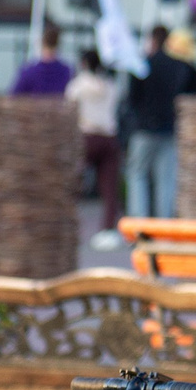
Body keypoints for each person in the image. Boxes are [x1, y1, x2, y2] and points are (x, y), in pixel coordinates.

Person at [122, 24, 196, 219]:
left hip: (144, 129)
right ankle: (163, 224)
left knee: (138, 174)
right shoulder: (180, 67)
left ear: (152, 40)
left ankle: (139, 222)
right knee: (166, 179)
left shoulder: (143, 64)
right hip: (169, 129)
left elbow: (133, 98)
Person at [69, 47, 123, 248]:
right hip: (108, 136)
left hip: (86, 136)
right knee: (109, 187)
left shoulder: (77, 86)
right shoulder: (109, 85)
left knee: (73, 183)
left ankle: (69, 224)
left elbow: (70, 107)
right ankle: (108, 230)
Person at [11, 24, 73, 96]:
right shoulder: (66, 72)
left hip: (33, 106)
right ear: (58, 44)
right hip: (58, 106)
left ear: (42, 43)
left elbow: (14, 96)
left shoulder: (29, 72)